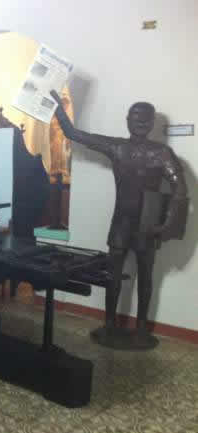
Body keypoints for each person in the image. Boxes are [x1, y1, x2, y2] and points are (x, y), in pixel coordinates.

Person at [50, 90, 187, 345]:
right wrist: (58, 108)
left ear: (152, 122)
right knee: (112, 276)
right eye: (135, 117)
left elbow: (180, 189)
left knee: (145, 277)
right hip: (121, 222)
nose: (140, 122)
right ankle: (110, 323)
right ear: (127, 120)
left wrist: (167, 224)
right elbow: (74, 134)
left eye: (145, 118)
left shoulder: (162, 153)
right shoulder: (118, 147)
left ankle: (142, 327)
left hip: (147, 224)